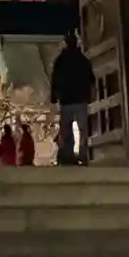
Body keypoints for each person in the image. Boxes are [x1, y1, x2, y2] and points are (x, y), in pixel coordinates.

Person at [50, 30, 95, 166]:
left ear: (65, 43)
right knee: (83, 130)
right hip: (80, 98)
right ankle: (83, 154)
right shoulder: (83, 60)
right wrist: (90, 95)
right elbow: (91, 79)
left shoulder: (60, 61)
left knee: (66, 130)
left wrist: (54, 96)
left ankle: (67, 155)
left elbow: (54, 79)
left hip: (66, 99)